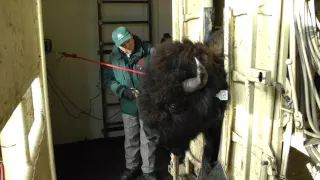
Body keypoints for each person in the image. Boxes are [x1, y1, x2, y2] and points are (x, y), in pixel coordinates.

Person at [104, 26, 158, 180]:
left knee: (148, 138)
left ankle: (148, 171)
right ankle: (132, 167)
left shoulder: (149, 51)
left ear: (132, 37)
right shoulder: (114, 57)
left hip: (147, 104)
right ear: (117, 46)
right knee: (131, 138)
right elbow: (109, 79)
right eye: (123, 45)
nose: (127, 46)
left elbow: (160, 75)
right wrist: (123, 91)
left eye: (128, 41)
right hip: (128, 105)